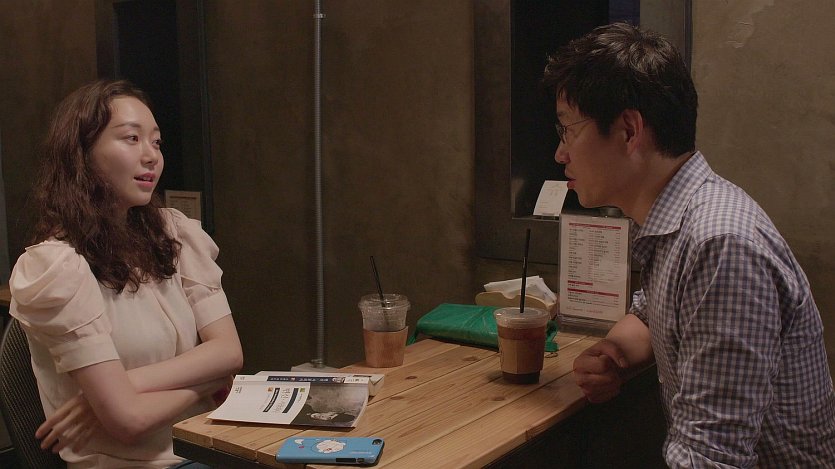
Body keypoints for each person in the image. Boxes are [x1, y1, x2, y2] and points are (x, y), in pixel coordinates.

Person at [543, 23, 835, 467]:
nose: (560, 153)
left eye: (568, 129)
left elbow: (712, 457)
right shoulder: (678, 217)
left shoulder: (720, 244)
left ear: (628, 130)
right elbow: (656, 311)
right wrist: (614, 355)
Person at [8, 79, 243, 468]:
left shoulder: (174, 233)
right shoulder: (55, 266)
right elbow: (129, 422)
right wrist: (209, 381)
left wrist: (127, 385)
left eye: (156, 142)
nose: (151, 156)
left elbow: (229, 352)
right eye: (132, 139)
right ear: (82, 154)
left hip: (206, 448)